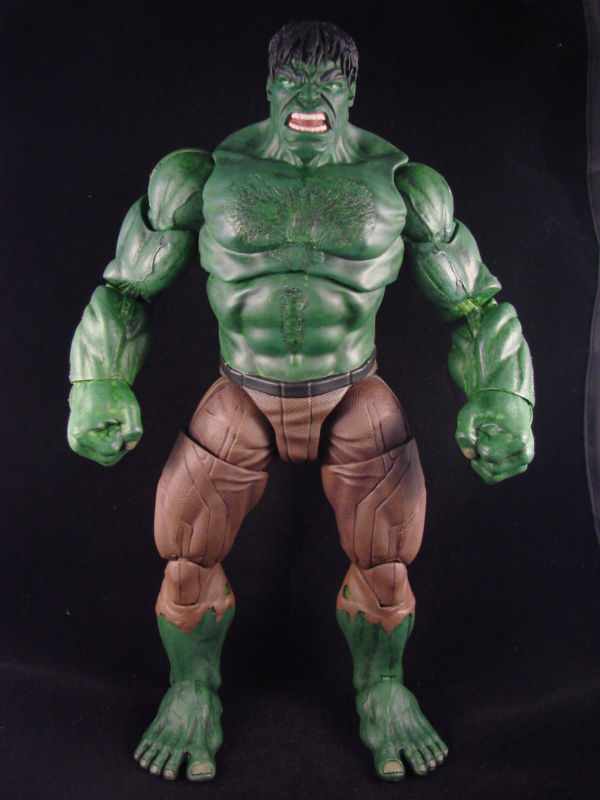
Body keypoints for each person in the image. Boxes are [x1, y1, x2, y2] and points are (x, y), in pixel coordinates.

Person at [68, 20, 534, 782]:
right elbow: (125, 289)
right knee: (185, 550)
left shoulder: (403, 186)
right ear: (269, 87)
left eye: (329, 82)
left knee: (387, 558)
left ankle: (382, 688)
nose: (309, 96)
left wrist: (503, 395)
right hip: (243, 393)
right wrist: (97, 383)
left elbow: (475, 304)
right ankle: (192, 691)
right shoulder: (201, 177)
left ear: (351, 93)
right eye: (293, 80)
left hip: (352, 392)